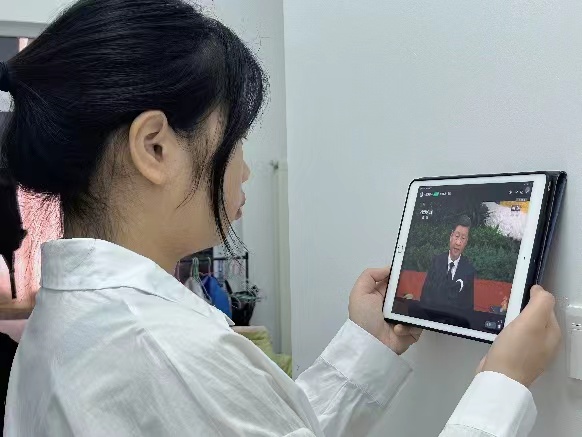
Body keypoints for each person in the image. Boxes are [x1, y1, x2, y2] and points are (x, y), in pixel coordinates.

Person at [0, 1, 560, 436]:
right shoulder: (164, 350)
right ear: (155, 147)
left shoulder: (71, 320)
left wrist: (371, 344)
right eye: (236, 139)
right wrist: (503, 385)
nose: (244, 170)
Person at [419, 215, 476, 327]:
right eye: (457, 236)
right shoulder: (436, 261)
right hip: (432, 323)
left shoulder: (468, 270)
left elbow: (468, 307)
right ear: (451, 236)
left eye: (463, 238)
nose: (458, 242)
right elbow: (425, 297)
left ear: (466, 242)